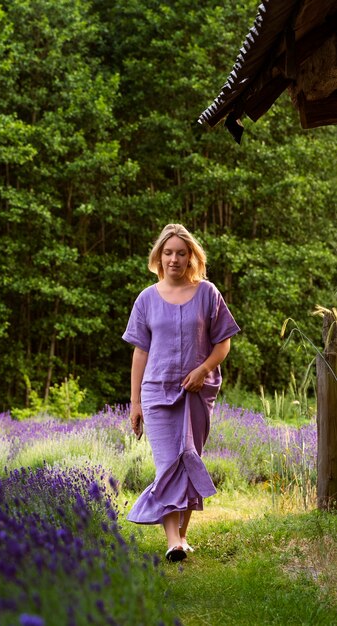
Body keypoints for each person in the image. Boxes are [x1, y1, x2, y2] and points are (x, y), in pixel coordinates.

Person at [122, 223, 240, 562]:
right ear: (158, 256)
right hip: (157, 393)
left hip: (197, 393)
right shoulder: (146, 299)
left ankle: (183, 535)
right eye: (168, 252)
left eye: (181, 252)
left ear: (191, 257)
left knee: (189, 459)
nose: (174, 259)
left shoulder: (208, 293)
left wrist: (203, 370)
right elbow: (140, 352)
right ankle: (173, 540)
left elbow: (223, 342)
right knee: (167, 464)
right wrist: (135, 403)